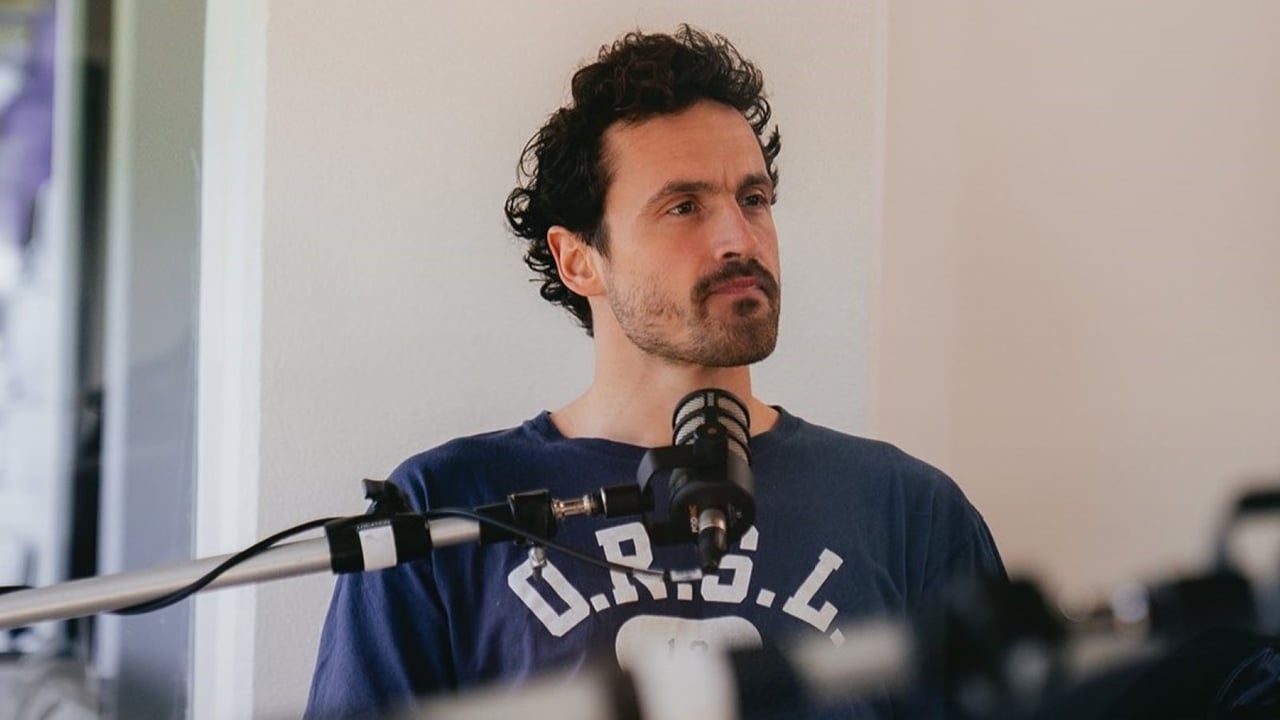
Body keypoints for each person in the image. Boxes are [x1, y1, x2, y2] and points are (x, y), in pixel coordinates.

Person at [305, 25, 1004, 719]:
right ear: (579, 259)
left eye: (753, 199)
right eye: (683, 207)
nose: (738, 239)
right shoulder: (445, 510)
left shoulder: (908, 511)